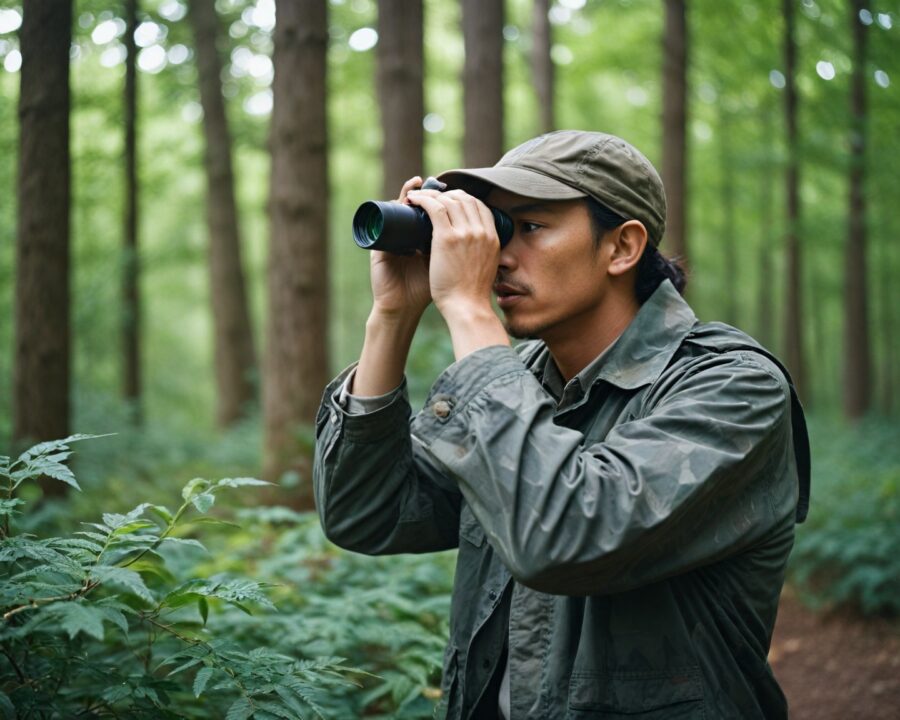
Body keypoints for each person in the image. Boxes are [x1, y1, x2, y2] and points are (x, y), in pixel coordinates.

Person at [313, 130, 810, 719]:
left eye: (530, 227)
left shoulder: (734, 389)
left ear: (621, 247)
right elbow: (365, 512)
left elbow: (564, 537)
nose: (498, 254)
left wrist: (469, 310)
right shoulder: (521, 383)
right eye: (496, 228)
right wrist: (392, 315)